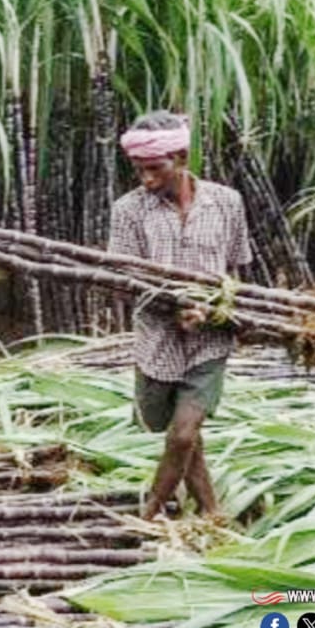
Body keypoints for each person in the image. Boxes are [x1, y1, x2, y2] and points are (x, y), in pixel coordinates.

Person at [108, 111, 253, 522]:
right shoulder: (129, 210)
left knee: (184, 432)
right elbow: (127, 278)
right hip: (157, 340)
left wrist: (215, 310)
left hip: (211, 338)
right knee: (176, 433)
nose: (147, 179)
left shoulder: (227, 202)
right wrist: (173, 309)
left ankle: (149, 513)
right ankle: (211, 512)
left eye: (156, 168)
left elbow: (236, 268)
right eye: (139, 170)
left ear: (183, 156)